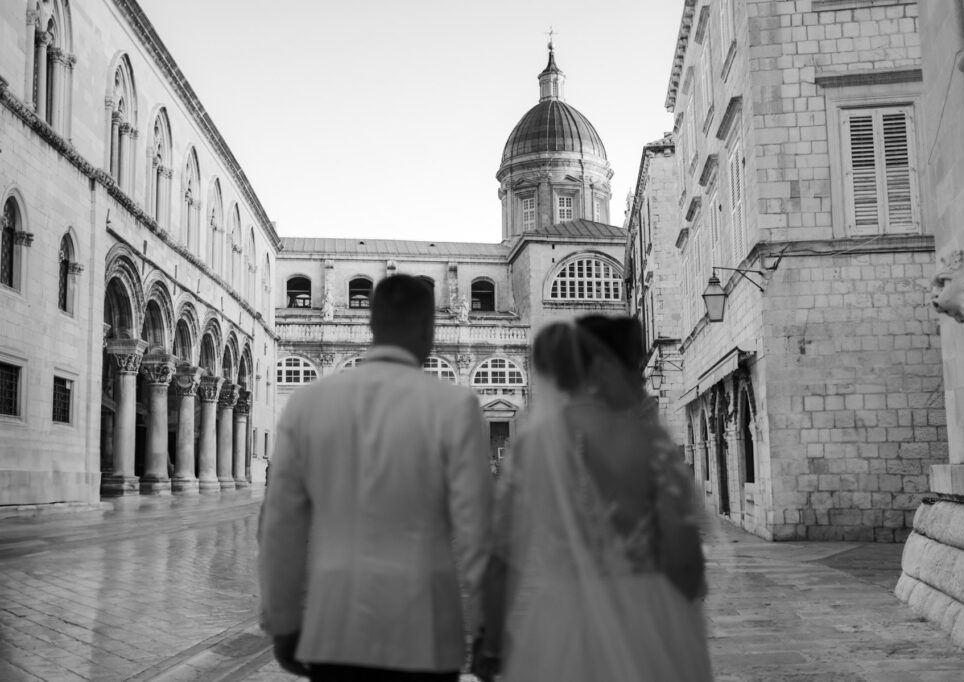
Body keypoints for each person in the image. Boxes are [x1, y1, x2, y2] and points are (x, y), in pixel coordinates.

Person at [259, 274, 494, 681]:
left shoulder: (307, 403)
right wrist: (489, 627)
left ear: (372, 323)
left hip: (335, 626)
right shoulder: (455, 406)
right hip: (426, 631)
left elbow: (280, 526)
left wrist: (282, 619)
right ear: (428, 328)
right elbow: (478, 532)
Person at [473, 317, 712, 682]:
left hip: (559, 628)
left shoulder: (531, 448)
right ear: (602, 369)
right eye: (634, 367)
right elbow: (685, 561)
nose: (641, 379)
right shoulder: (651, 446)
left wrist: (491, 643)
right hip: (647, 628)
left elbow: (502, 561)